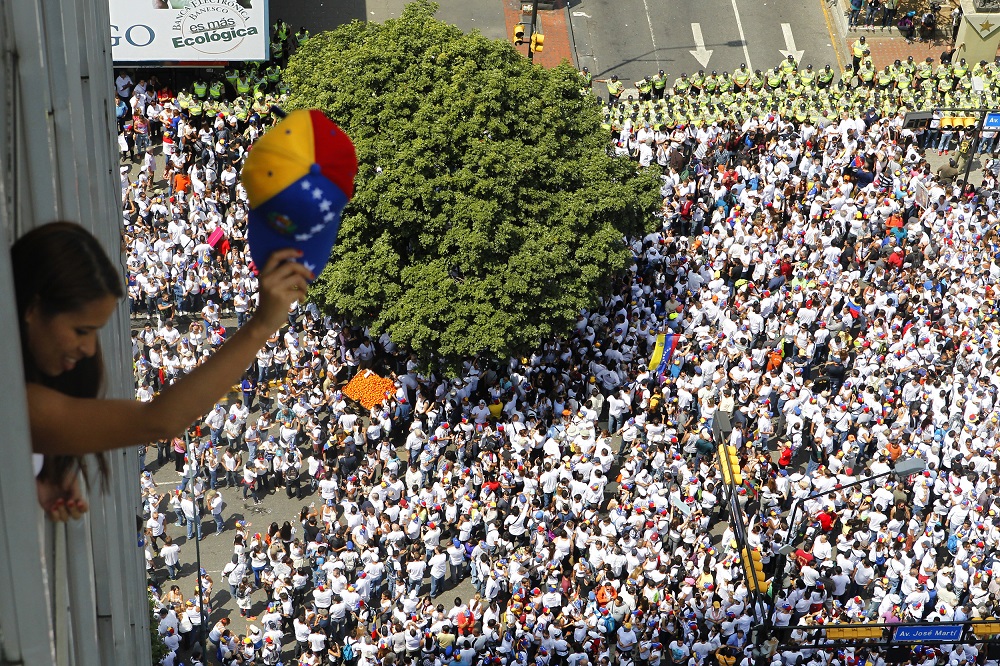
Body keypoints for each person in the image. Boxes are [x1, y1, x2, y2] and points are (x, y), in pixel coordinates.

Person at [13, 222, 312, 520]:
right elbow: (159, 421)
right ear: (34, 309)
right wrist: (260, 326)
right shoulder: (21, 400)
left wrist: (45, 472)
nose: (90, 349)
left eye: (95, 331)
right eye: (81, 330)